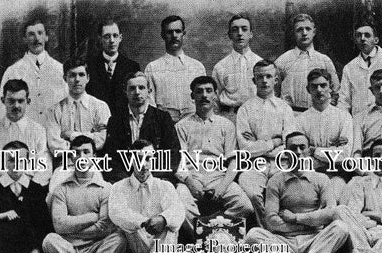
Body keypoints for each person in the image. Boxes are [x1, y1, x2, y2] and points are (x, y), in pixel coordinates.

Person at [244, 132, 349, 253]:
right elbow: (271, 220)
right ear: (286, 152)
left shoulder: (321, 179)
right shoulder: (275, 181)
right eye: (293, 148)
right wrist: (310, 222)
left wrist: (296, 218)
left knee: (341, 228)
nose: (298, 152)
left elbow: (330, 213)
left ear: (308, 150)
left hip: (313, 239)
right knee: (253, 235)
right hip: (285, 241)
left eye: (302, 147)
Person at [42, 136, 126, 253]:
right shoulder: (61, 189)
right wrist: (91, 217)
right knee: (50, 240)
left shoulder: (106, 188)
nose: (81, 157)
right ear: (71, 157)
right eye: (77, 153)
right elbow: (59, 225)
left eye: (86, 152)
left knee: (120, 238)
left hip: (97, 246)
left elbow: (105, 228)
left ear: (94, 156)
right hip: (68, 247)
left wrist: (72, 229)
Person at [176, 76, 253, 240]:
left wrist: (223, 186)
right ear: (192, 96)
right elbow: (178, 161)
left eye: (208, 91)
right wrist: (190, 182)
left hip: (218, 177)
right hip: (192, 177)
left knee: (245, 206)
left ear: (215, 95)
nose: (204, 95)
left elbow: (234, 161)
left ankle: (215, 233)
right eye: (199, 92)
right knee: (180, 204)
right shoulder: (181, 126)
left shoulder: (226, 125)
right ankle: (204, 241)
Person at [108, 139, 185, 253]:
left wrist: (162, 219)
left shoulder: (164, 186)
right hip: (134, 251)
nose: (144, 165)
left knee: (169, 227)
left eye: (148, 159)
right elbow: (116, 213)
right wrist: (144, 222)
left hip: (164, 246)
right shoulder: (119, 187)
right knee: (130, 226)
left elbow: (178, 212)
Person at [237, 60, 295, 226]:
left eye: (268, 76)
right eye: (260, 77)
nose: (264, 80)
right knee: (251, 190)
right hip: (256, 164)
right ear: (254, 80)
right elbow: (246, 148)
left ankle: (283, 228)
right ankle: (267, 230)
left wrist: (260, 145)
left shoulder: (285, 108)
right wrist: (274, 142)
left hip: (281, 163)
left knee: (281, 190)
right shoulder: (245, 109)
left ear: (276, 80)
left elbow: (289, 143)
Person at [0, 79, 51, 195]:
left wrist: (29, 195)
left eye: (20, 101)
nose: (16, 106)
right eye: (11, 101)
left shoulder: (38, 131)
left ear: (28, 101)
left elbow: (44, 170)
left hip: (29, 195)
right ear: (3, 100)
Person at [104, 71, 180, 183]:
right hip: (125, 181)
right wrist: (127, 181)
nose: (137, 92)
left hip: (156, 179)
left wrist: (148, 177)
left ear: (149, 91)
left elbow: (173, 155)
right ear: (125, 91)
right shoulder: (115, 121)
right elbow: (111, 157)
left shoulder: (163, 118)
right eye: (132, 88)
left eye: (141, 88)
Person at [296, 68, 353, 201]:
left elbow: (344, 155)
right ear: (308, 89)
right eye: (314, 86)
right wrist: (330, 153)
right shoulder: (300, 120)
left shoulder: (344, 117)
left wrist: (315, 150)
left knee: (331, 199)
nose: (319, 90)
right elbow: (299, 155)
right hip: (310, 175)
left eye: (323, 85)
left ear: (331, 88)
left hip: (337, 175)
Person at [0, 17, 67, 127]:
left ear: (46, 37)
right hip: (23, 138)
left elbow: (68, 108)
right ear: (24, 39)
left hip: (54, 138)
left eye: (40, 33)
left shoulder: (60, 70)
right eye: (31, 34)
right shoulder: (12, 71)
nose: (36, 38)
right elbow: (3, 111)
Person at [145, 15, 206, 122]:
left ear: (184, 34)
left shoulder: (197, 67)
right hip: (164, 125)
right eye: (169, 32)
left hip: (193, 124)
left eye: (178, 31)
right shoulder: (152, 68)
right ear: (163, 35)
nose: (174, 36)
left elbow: (204, 99)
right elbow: (150, 104)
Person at [46, 56, 111, 156]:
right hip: (65, 164)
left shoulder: (100, 107)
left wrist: (70, 135)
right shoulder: (54, 110)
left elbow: (100, 142)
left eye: (81, 75)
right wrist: (91, 136)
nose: (77, 80)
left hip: (92, 163)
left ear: (88, 78)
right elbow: (55, 146)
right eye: (72, 75)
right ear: (65, 78)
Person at [274, 13, 339, 113]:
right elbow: (273, 93)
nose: (304, 33)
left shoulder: (324, 60)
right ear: (293, 33)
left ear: (314, 32)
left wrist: (325, 111)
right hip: (291, 115)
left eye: (308, 29)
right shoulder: (282, 61)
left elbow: (335, 92)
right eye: (299, 30)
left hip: (318, 115)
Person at [212, 14, 262, 123]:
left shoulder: (261, 64)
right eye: (235, 30)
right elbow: (214, 100)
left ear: (251, 34)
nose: (240, 33)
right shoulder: (220, 67)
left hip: (256, 117)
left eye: (244, 29)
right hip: (229, 118)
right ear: (230, 35)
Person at [86, 19, 141, 117]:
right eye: (107, 36)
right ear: (100, 38)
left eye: (115, 36)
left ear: (120, 38)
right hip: (96, 121)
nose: (111, 40)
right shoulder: (89, 65)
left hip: (123, 123)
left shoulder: (132, 66)